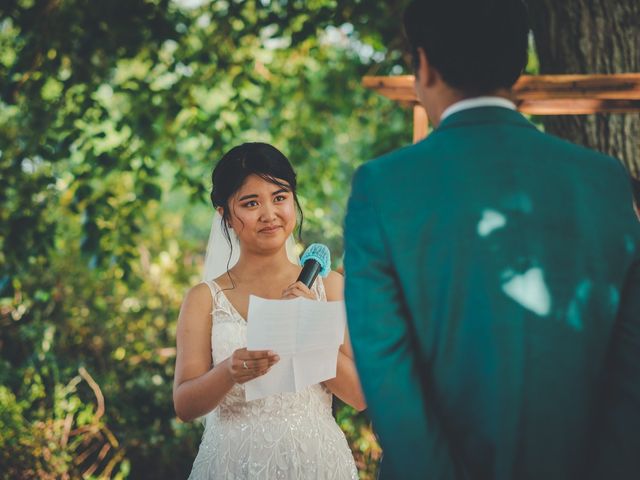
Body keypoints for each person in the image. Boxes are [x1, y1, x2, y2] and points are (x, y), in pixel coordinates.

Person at [343, 1, 640, 479]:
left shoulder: (384, 186)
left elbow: (386, 369)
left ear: (423, 64)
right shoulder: (603, 181)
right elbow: (632, 370)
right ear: (517, 61)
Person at [174, 142, 364, 479]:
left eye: (280, 197)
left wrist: (309, 329)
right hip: (231, 463)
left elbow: (360, 396)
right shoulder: (204, 298)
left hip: (314, 460)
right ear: (226, 215)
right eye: (250, 203)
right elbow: (184, 406)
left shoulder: (328, 286)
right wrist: (228, 372)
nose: (269, 214)